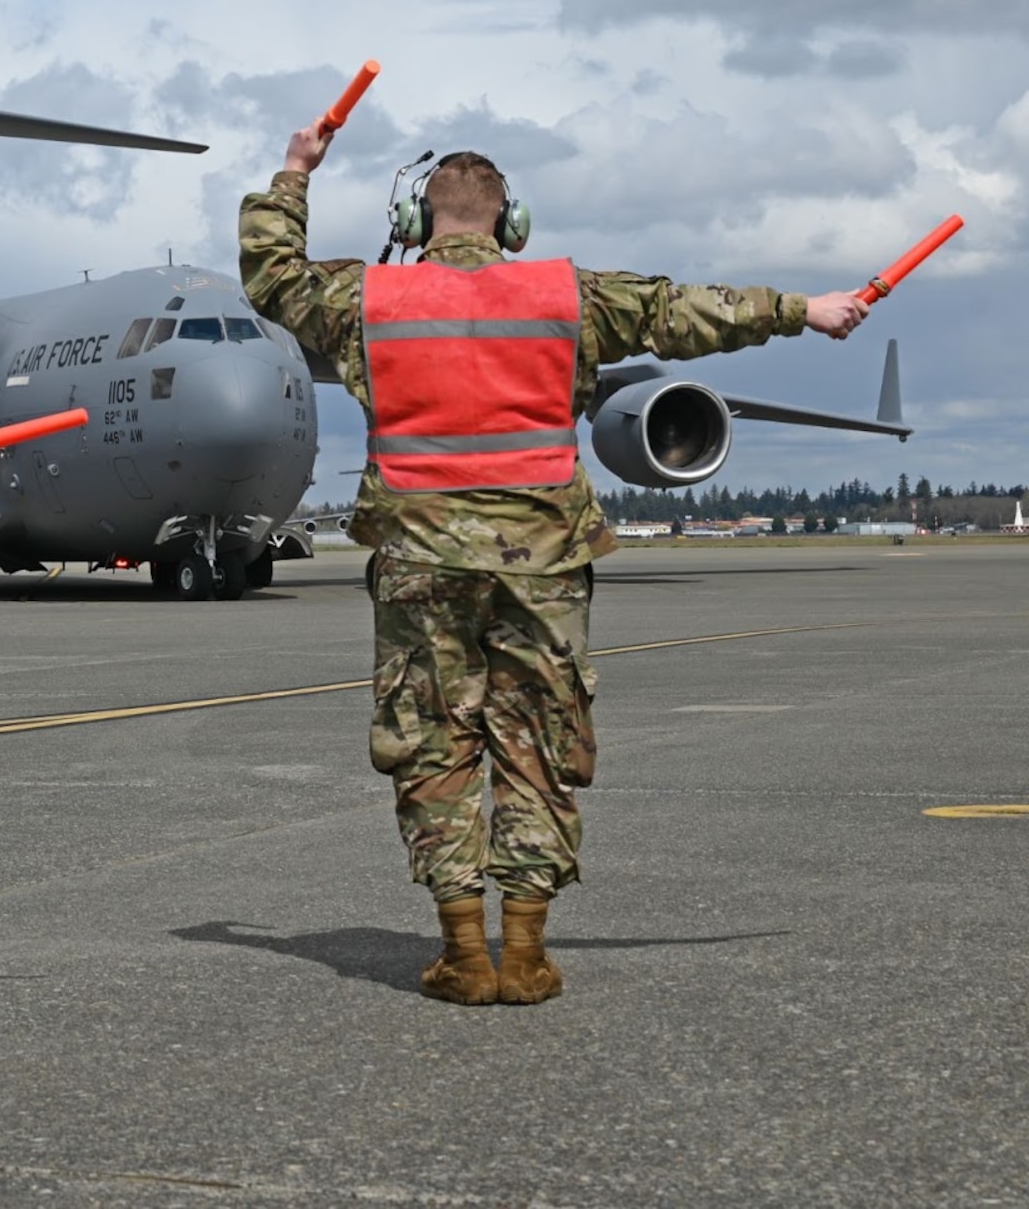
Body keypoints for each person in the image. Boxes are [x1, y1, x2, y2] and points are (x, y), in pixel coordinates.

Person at [241, 135, 868, 1006]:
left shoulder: (365, 298)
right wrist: (810, 307)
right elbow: (691, 311)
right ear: (514, 224)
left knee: (434, 745)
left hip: (422, 561)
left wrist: (297, 169)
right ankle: (526, 954)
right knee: (537, 745)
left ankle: (464, 951)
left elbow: (270, 273)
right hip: (543, 563)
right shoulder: (568, 296)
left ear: (414, 220)